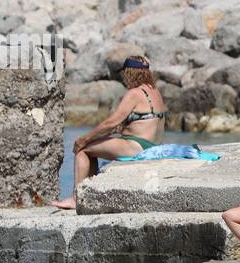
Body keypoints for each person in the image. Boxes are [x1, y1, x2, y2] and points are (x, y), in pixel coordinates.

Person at [54, 56, 166, 209]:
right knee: (94, 148)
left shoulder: (135, 93)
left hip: (136, 146)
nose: (124, 78)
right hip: (152, 145)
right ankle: (89, 194)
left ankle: (76, 199)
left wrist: (84, 138)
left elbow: (111, 122)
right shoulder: (155, 92)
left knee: (83, 149)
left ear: (130, 73)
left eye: (125, 74)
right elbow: (142, 121)